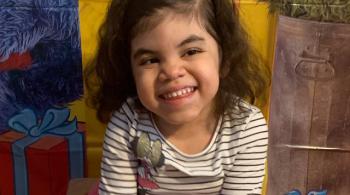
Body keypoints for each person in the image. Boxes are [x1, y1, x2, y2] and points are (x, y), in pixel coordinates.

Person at [85, 0, 271, 194]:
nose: (172, 72)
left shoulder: (246, 127)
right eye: (151, 60)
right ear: (130, 72)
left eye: (191, 51)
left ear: (225, 59)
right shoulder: (126, 123)